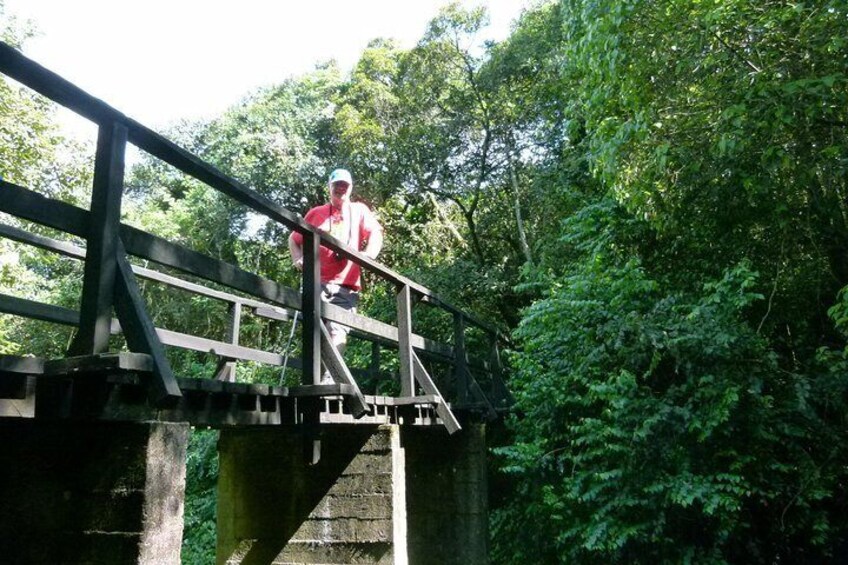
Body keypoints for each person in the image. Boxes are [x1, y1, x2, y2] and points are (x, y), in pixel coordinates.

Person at [288, 168, 383, 382]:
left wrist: (368, 256)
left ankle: (330, 378)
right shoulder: (317, 212)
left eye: (345, 186)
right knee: (315, 330)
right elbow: (294, 239)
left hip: (346, 284)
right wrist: (297, 259)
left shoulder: (359, 210)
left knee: (338, 330)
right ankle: (314, 378)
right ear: (329, 187)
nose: (341, 189)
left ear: (350, 189)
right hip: (316, 281)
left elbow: (375, 233)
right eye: (337, 185)